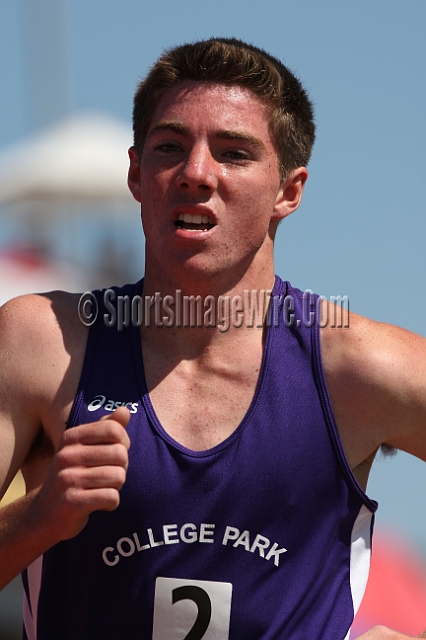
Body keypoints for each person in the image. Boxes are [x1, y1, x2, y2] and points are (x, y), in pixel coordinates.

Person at [0, 37, 424, 640]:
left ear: (289, 191)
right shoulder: (43, 343)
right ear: (136, 175)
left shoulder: (359, 366)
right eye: (170, 147)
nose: (196, 173)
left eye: (234, 153)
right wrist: (38, 519)